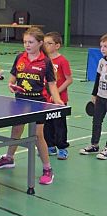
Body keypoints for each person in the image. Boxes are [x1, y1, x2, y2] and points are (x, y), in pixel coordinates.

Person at [0, 27, 64, 185]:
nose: (27, 45)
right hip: (20, 101)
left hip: (38, 103)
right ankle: (9, 158)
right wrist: (11, 85)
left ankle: (47, 168)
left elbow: (52, 83)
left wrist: (57, 100)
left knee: (37, 135)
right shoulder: (19, 58)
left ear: (40, 43)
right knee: (16, 130)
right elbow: (13, 78)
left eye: (30, 42)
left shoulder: (45, 62)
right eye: (25, 42)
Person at [42, 32, 72, 160]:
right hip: (46, 99)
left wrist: (57, 93)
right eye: (45, 43)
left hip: (59, 100)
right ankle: (50, 146)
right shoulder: (44, 60)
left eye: (49, 43)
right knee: (46, 124)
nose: (46, 45)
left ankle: (62, 148)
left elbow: (69, 79)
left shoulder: (62, 61)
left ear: (57, 45)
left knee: (59, 125)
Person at [80, 33, 107, 160]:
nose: (102, 49)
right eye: (101, 46)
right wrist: (94, 94)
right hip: (101, 97)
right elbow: (97, 78)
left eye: (106, 46)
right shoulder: (101, 61)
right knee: (96, 121)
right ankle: (94, 144)